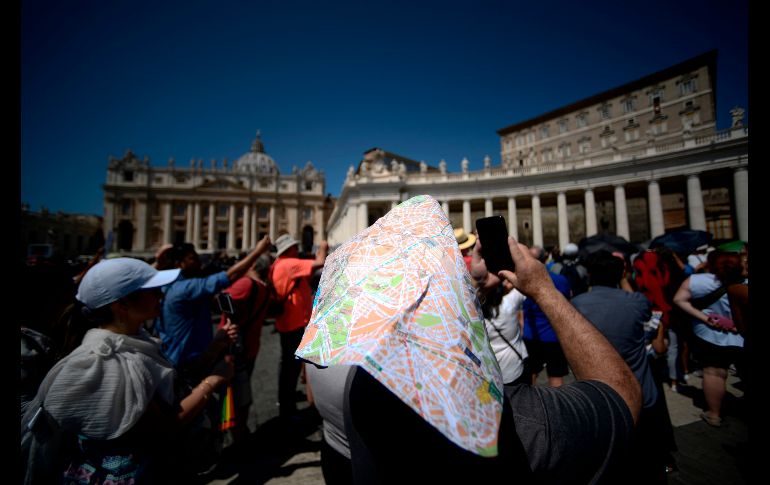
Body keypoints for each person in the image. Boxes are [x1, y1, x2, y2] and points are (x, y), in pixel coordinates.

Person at [296, 196, 640, 484]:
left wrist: (470, 288)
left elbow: (418, 320)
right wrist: (543, 290)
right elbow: (622, 396)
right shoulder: (519, 425)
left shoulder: (343, 379)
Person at [21, 258, 234, 483]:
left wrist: (213, 349)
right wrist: (211, 382)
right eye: (152, 290)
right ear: (122, 305)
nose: (161, 295)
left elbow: (173, 385)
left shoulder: (136, 340)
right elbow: (163, 429)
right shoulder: (108, 363)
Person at [572, 250, 672, 484]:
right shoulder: (637, 301)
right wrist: (623, 278)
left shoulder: (576, 304)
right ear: (622, 273)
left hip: (598, 394)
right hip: (639, 390)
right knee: (645, 456)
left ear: (589, 275)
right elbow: (647, 311)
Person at [157, 235, 271, 378]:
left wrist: (230, 316)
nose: (199, 263)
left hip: (219, 346)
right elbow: (228, 281)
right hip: (196, 357)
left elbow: (225, 298)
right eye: (194, 259)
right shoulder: (263, 286)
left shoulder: (168, 286)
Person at [674, 250, 745, 427]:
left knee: (714, 373)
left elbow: (679, 300)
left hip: (710, 334)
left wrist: (705, 318)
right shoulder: (745, 283)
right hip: (742, 335)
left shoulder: (699, 281)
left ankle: (714, 414)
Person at [270, 233, 328, 418]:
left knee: (287, 363)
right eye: (295, 247)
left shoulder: (278, 264)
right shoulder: (288, 264)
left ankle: (286, 398)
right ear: (290, 249)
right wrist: (324, 245)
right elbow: (320, 262)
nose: (298, 249)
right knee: (291, 365)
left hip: (288, 321)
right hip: (292, 322)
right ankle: (287, 407)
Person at [217, 253, 272, 446]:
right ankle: (240, 429)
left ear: (253, 265)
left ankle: (235, 433)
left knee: (232, 391)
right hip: (250, 345)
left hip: (234, 346)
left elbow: (222, 299)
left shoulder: (246, 284)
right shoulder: (263, 287)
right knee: (241, 390)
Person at [522, 245, 571, 387]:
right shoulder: (561, 280)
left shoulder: (523, 280)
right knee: (556, 374)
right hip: (554, 335)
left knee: (531, 372)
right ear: (545, 258)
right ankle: (556, 406)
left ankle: (530, 405)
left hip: (531, 334)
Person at [480, 279, 529, 387]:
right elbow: (523, 283)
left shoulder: (478, 315)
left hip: (494, 370)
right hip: (515, 366)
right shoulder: (510, 302)